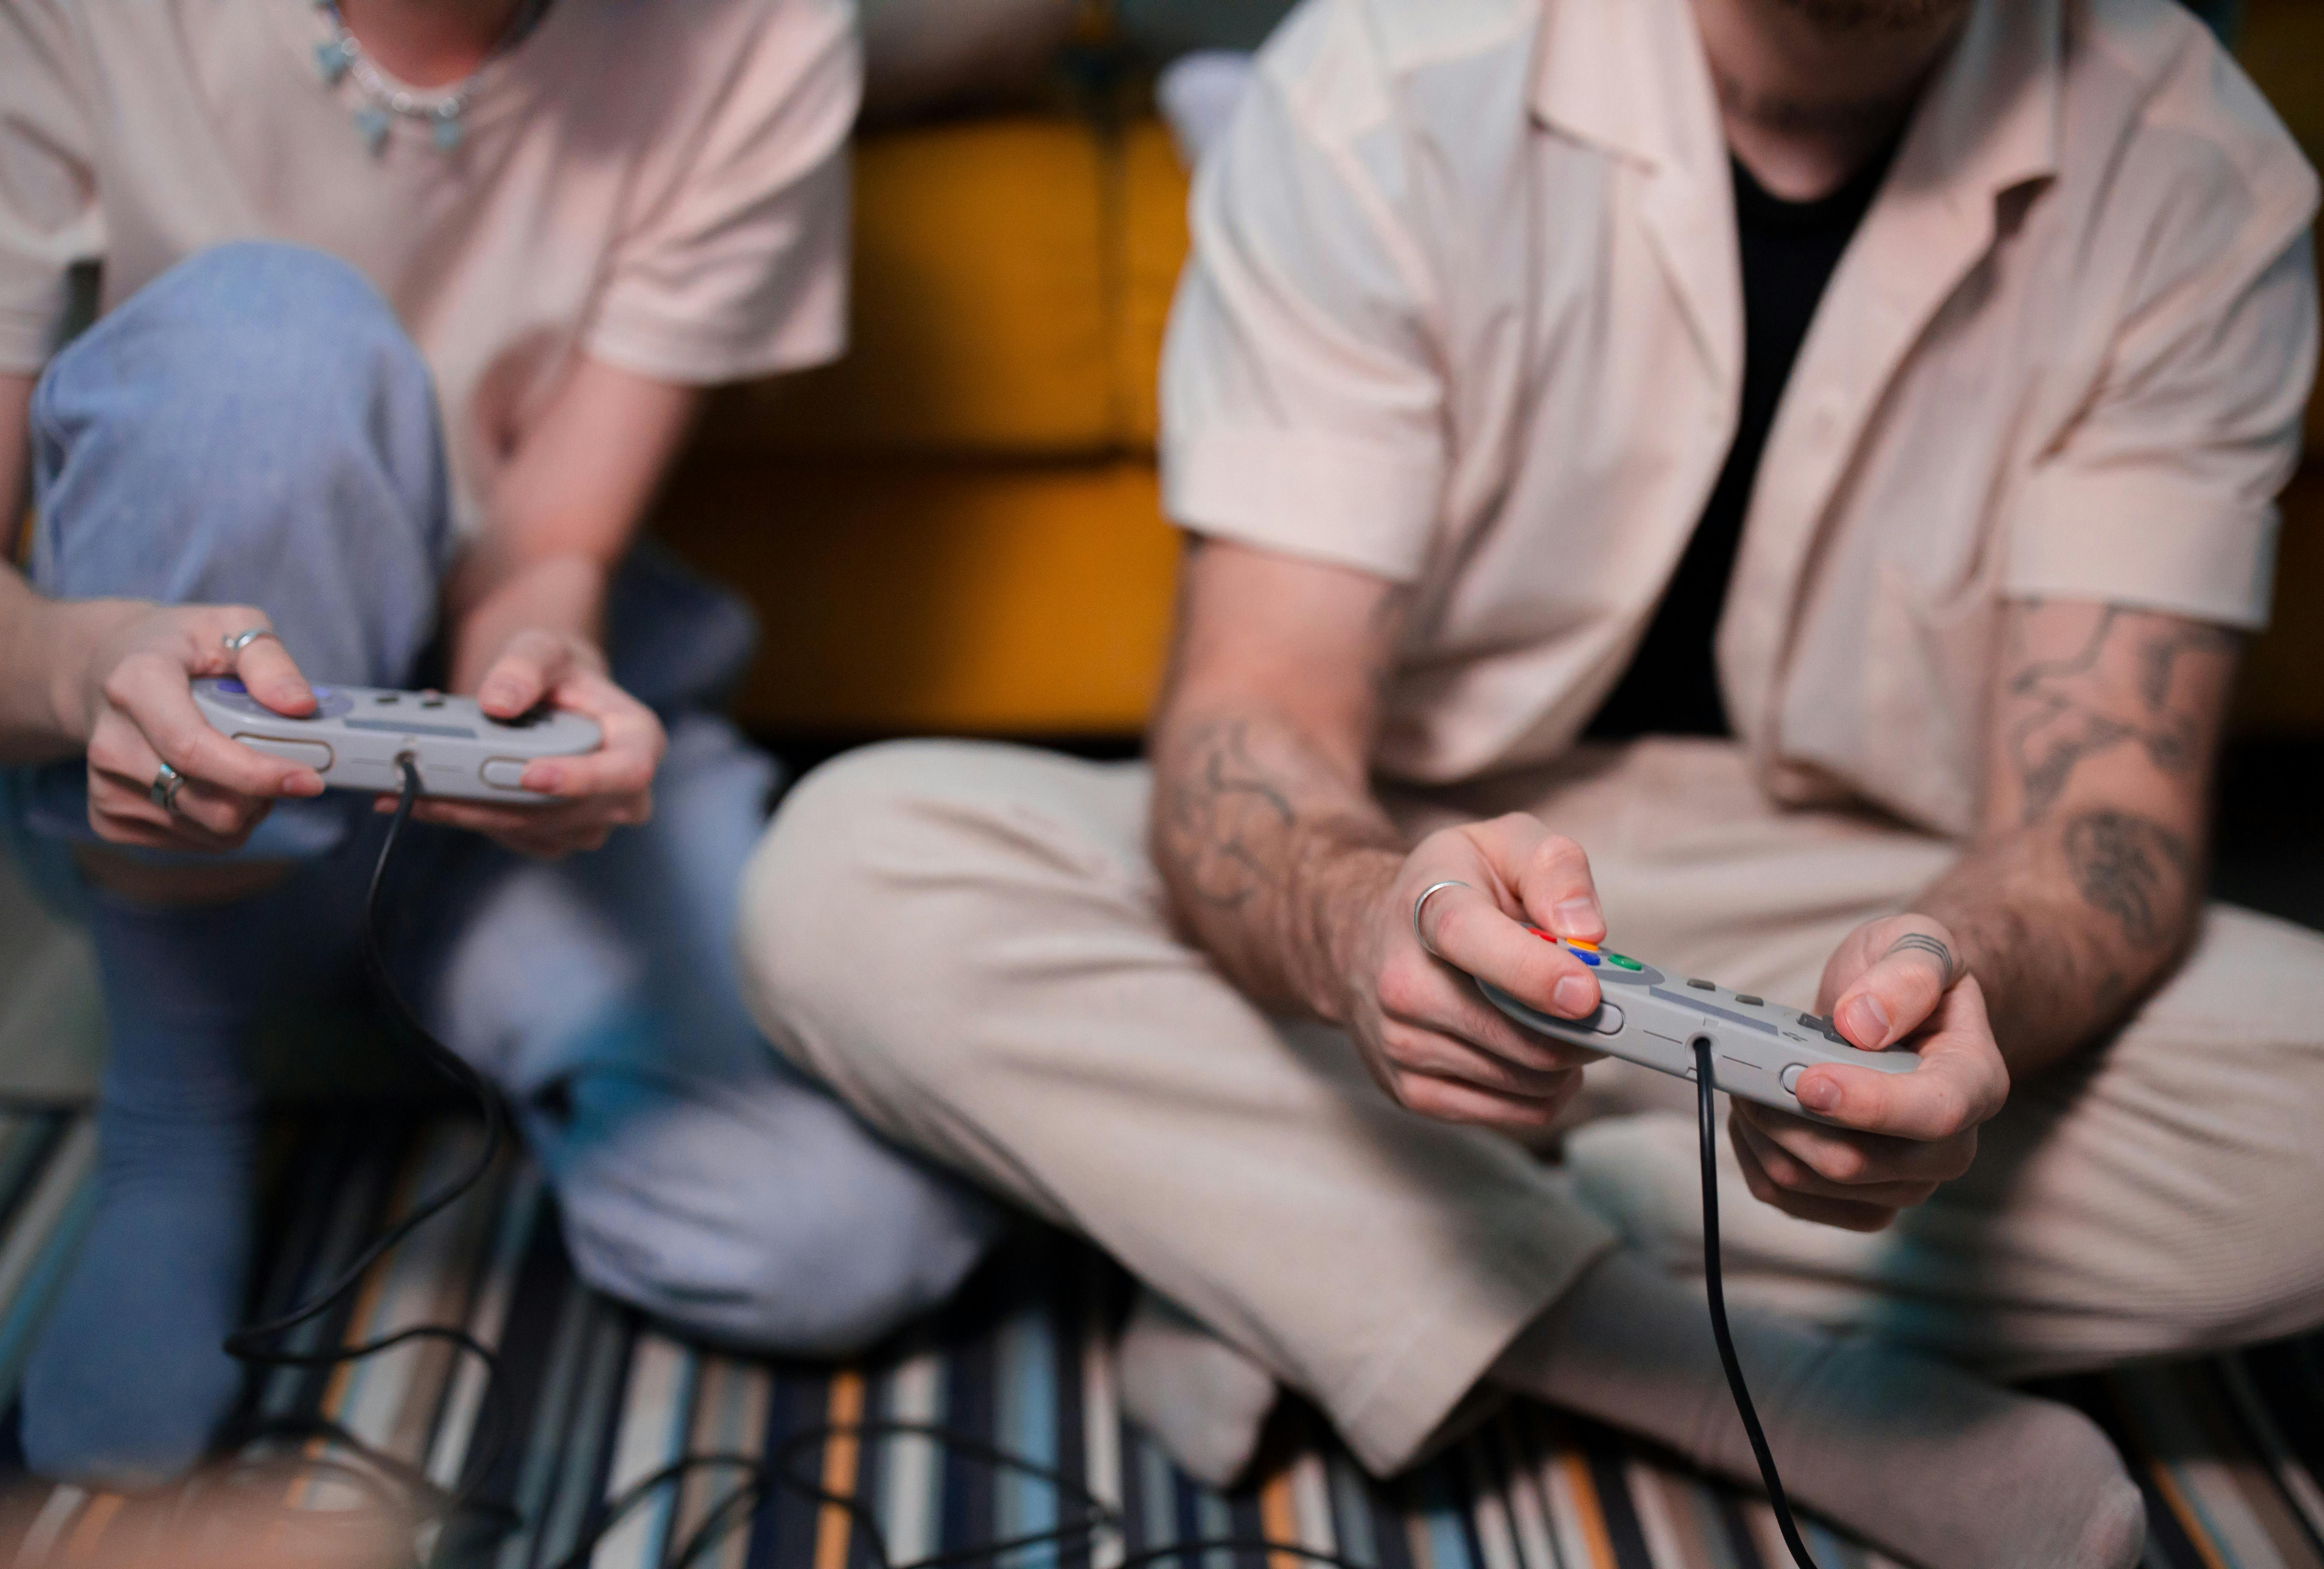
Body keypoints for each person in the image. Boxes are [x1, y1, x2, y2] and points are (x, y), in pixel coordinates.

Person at [735, 0, 2324, 1562]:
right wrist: (1368, 926)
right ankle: (1698, 1371)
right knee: (852, 870)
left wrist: (1950, 985)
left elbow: (2104, 825)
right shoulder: (1386, 77)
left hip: (1857, 891)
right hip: (1429, 842)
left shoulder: (2192, 166)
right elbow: (1252, 724)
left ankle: (1287, 1231)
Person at [0, 0, 999, 1488]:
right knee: (267, 345)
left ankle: (410, 975)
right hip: (134, 751)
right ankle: (176, 1087)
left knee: (844, 1233)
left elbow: (548, 548)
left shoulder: (763, 30)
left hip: (446, 754)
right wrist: (88, 672)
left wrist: (549, 669)